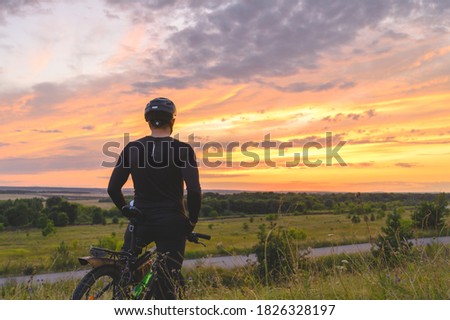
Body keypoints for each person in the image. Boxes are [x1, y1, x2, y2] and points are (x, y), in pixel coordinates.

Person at [107, 97, 201, 299]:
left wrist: (125, 210)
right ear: (172, 121)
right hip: (171, 223)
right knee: (167, 284)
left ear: (148, 121)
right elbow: (194, 190)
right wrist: (191, 221)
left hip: (139, 220)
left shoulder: (132, 148)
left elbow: (113, 188)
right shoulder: (183, 150)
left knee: (125, 273)